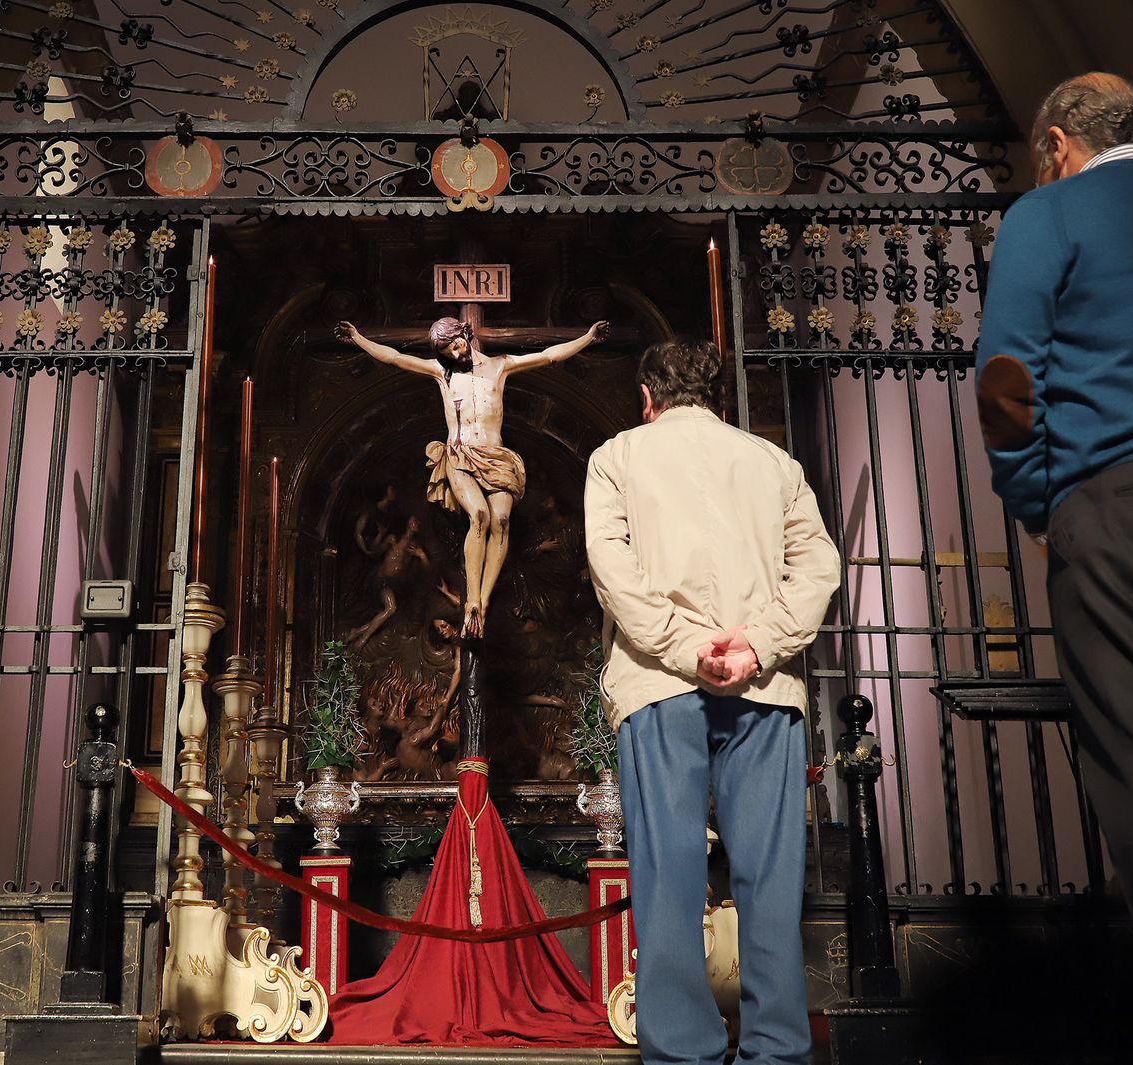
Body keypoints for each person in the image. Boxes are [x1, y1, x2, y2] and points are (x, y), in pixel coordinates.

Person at [975, 72, 1133, 1060]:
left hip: (1117, 503)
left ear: (1052, 144)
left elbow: (1007, 379)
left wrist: (1039, 501)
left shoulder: (1049, 214)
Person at [585, 340, 840, 1065]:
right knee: (770, 879)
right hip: (764, 685)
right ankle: (778, 1051)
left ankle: (686, 1055)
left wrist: (686, 647)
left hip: (662, 684)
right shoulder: (773, 463)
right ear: (718, 396)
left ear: (646, 396)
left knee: (669, 878)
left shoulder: (617, 457)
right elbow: (819, 565)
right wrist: (755, 644)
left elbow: (615, 572)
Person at [336, 317, 608, 637]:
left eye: (455, 344)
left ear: (464, 334)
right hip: (461, 455)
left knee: (502, 521)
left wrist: (587, 337)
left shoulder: (500, 367)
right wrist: (359, 339)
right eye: (447, 350)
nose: (454, 352)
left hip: (497, 456)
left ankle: (483, 600)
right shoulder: (443, 373)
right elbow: (396, 358)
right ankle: (471, 603)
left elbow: (549, 356)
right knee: (479, 515)